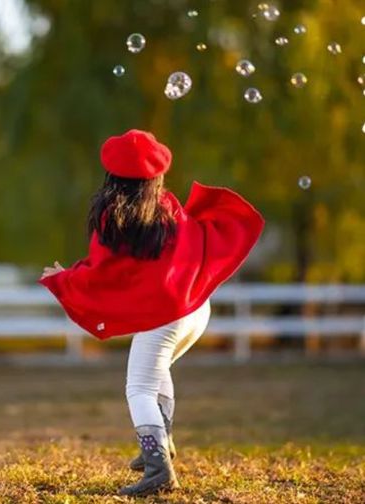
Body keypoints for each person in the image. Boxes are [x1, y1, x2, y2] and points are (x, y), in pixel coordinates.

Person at [39, 129, 265, 497]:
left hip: (166, 317)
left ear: (112, 177)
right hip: (194, 307)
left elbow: (104, 274)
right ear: (156, 177)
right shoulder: (167, 208)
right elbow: (147, 267)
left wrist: (64, 279)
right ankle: (164, 444)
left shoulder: (115, 217)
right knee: (155, 372)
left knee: (138, 387)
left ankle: (159, 469)